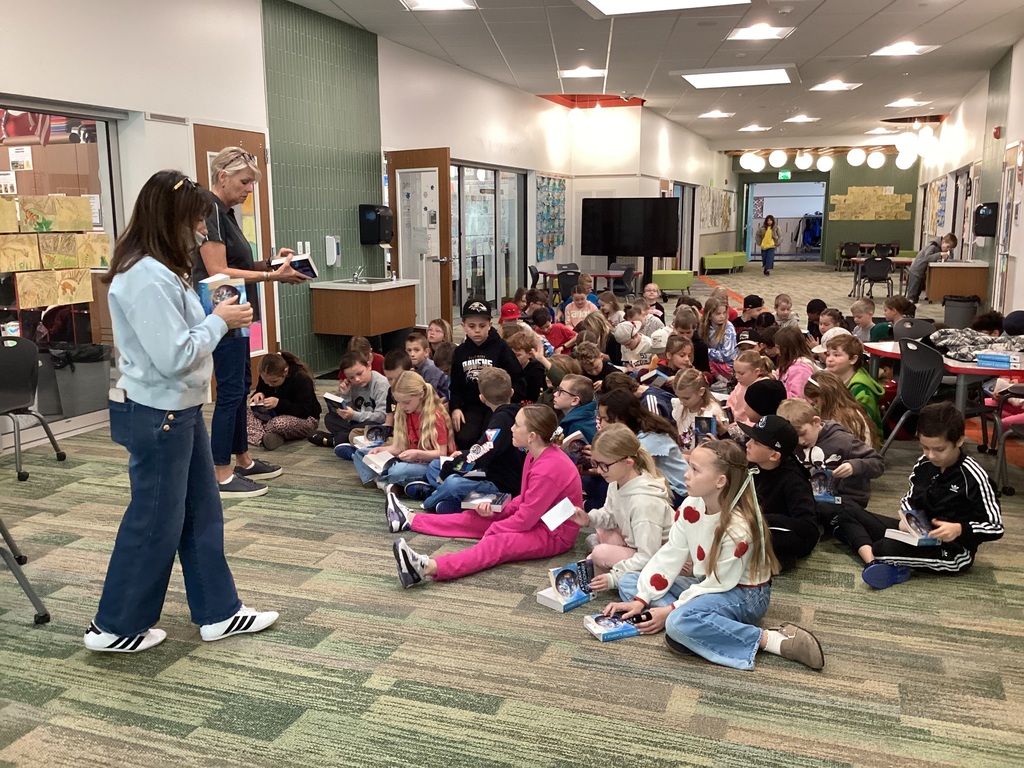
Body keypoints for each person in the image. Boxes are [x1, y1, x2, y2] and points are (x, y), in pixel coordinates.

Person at [85, 170, 277, 653]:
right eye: (195, 221)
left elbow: (185, 332)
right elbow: (173, 354)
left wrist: (216, 312)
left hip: (180, 409)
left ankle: (219, 612)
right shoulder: (143, 276)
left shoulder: (161, 268)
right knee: (154, 520)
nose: (201, 232)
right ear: (171, 219)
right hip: (158, 412)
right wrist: (218, 321)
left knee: (200, 513)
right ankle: (114, 626)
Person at [603, 439, 824, 671]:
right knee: (632, 582)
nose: (686, 475)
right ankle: (698, 626)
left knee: (678, 622)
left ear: (720, 481)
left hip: (743, 594)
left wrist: (670, 610)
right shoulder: (691, 505)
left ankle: (771, 640)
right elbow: (671, 554)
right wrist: (642, 600)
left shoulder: (738, 526)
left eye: (695, 470)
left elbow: (719, 583)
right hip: (707, 583)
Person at [194, 147, 311, 497]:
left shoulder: (226, 213)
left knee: (242, 384)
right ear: (222, 177)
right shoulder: (209, 208)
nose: (249, 190)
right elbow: (217, 271)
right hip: (222, 311)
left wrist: (273, 264)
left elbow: (239, 264)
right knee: (230, 391)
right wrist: (274, 278)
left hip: (238, 311)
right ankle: (220, 470)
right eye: (244, 182)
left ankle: (242, 458)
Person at [388, 405, 584, 587]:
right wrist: (499, 512)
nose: (511, 429)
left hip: (554, 533)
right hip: (539, 519)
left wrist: (496, 527)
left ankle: (426, 567)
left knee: (497, 542)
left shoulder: (547, 468)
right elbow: (525, 499)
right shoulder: (534, 455)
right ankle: (410, 520)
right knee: (477, 517)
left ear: (532, 436)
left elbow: (525, 519)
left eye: (516, 425)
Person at [836, 403, 1003, 590]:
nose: (931, 455)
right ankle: (876, 562)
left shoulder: (974, 477)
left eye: (939, 449)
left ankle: (874, 558)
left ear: (959, 441)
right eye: (925, 447)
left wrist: (959, 529)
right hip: (917, 533)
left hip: (953, 550)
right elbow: (909, 498)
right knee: (846, 514)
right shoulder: (923, 463)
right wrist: (909, 517)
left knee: (883, 547)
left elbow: (995, 527)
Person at [572, 424, 673, 591]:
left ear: (628, 462)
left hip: (660, 557)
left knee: (598, 553)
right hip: (635, 543)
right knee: (600, 535)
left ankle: (608, 567)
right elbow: (610, 515)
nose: (599, 470)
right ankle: (606, 563)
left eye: (604, 465)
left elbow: (649, 555)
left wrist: (614, 577)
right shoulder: (617, 481)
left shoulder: (644, 502)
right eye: (595, 463)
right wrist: (589, 519)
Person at [416, 367, 524, 515]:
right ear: (511, 392)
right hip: (491, 470)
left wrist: (449, 469)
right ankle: (452, 500)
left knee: (453, 481)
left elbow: (480, 455)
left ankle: (430, 500)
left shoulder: (501, 420)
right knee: (436, 465)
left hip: (502, 485)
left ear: (482, 398)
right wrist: (462, 453)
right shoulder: (517, 412)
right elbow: (489, 449)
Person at [739, 415, 820, 569]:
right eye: (750, 438)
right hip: (759, 522)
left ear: (774, 455)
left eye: (756, 442)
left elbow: (808, 527)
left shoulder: (793, 480)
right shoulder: (753, 466)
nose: (747, 444)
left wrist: (761, 518)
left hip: (785, 531)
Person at [353, 371, 452, 495]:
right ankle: (388, 483)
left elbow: (441, 453)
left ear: (421, 394)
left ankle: (384, 480)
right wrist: (383, 450)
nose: (402, 406)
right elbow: (400, 447)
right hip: (408, 459)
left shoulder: (435, 416)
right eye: (399, 402)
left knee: (397, 471)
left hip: (429, 464)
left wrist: (417, 454)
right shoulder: (404, 412)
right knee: (361, 453)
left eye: (406, 402)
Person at [777, 398, 884, 512]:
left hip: (845, 501)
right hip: (809, 499)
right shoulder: (793, 444)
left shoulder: (843, 440)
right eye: (794, 437)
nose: (800, 441)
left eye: (803, 433)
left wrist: (854, 466)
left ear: (816, 422)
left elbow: (877, 462)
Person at [450, 299, 525, 449]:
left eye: (482, 326)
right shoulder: (459, 352)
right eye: (472, 326)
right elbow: (456, 385)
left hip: (497, 405)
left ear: (490, 325)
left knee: (491, 438)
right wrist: (455, 408)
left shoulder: (501, 348)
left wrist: (508, 402)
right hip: (472, 406)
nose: (477, 330)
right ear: (463, 326)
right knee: (465, 438)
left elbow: (518, 379)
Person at [598, 389, 689, 506]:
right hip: (662, 486)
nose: (602, 424)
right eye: (601, 419)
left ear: (623, 417)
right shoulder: (632, 434)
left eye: (606, 419)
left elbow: (636, 471)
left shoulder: (650, 437)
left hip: (678, 491)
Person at [246, 351, 320, 451]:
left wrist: (278, 403)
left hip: (303, 419)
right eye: (265, 381)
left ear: (285, 372)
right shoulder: (267, 378)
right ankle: (267, 438)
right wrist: (258, 394)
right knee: (242, 411)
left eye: (274, 381)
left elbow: (304, 411)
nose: (269, 384)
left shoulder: (301, 378)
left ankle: (258, 434)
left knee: (279, 423)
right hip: (272, 416)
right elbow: (261, 390)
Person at [328, 351, 390, 455]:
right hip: (357, 422)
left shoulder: (381, 384)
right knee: (330, 418)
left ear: (369, 366)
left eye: (360, 374)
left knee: (367, 426)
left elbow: (382, 416)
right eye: (351, 378)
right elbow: (348, 413)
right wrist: (345, 395)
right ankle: (347, 439)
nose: (357, 379)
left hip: (374, 423)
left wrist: (354, 415)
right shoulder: (352, 385)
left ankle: (339, 439)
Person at [824, 333, 884, 440]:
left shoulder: (862, 389)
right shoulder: (831, 380)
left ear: (853, 359)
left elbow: (863, 425)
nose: (829, 359)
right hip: (838, 432)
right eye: (828, 354)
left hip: (861, 441)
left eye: (836, 355)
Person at [803, 372, 877, 448]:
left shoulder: (842, 418)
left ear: (827, 398)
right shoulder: (852, 409)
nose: (816, 406)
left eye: (816, 401)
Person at [672, 368, 730, 452]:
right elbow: (681, 436)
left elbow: (706, 450)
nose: (682, 402)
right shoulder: (680, 405)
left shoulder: (710, 412)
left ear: (701, 391)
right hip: (684, 452)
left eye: (686, 398)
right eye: (679, 397)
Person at [906, 233, 957, 303]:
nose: (948, 250)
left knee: (916, 296)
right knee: (912, 297)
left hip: (921, 273)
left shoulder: (939, 247)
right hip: (916, 272)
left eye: (950, 248)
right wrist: (940, 254)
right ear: (943, 242)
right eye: (948, 247)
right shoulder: (933, 246)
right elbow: (927, 258)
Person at [727, 349, 774, 426]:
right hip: (736, 425)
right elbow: (730, 404)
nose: (737, 376)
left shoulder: (764, 388)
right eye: (735, 372)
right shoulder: (740, 384)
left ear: (756, 372)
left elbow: (758, 418)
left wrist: (740, 426)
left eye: (741, 373)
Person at [774, 325, 818, 401]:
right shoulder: (787, 364)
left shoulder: (800, 369)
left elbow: (798, 397)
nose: (777, 352)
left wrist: (774, 394)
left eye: (778, 348)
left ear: (787, 348)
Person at [700, 297, 737, 384]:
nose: (722, 316)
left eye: (724, 313)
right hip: (714, 362)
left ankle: (725, 382)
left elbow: (727, 355)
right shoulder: (704, 326)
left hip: (729, 366)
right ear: (709, 315)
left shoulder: (728, 329)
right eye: (718, 313)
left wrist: (706, 351)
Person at [553, 374, 598, 443]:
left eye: (561, 391)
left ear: (575, 401)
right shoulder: (581, 419)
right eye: (557, 389)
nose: (555, 394)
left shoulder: (576, 426)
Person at [405, 331, 449, 401]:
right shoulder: (411, 366)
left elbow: (428, 396)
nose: (412, 354)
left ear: (426, 352)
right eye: (409, 350)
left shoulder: (431, 369)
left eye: (416, 350)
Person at [506, 330, 547, 403]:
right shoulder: (509, 366)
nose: (513, 358)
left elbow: (534, 397)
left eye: (518, 355)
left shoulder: (536, 371)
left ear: (530, 354)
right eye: (511, 354)